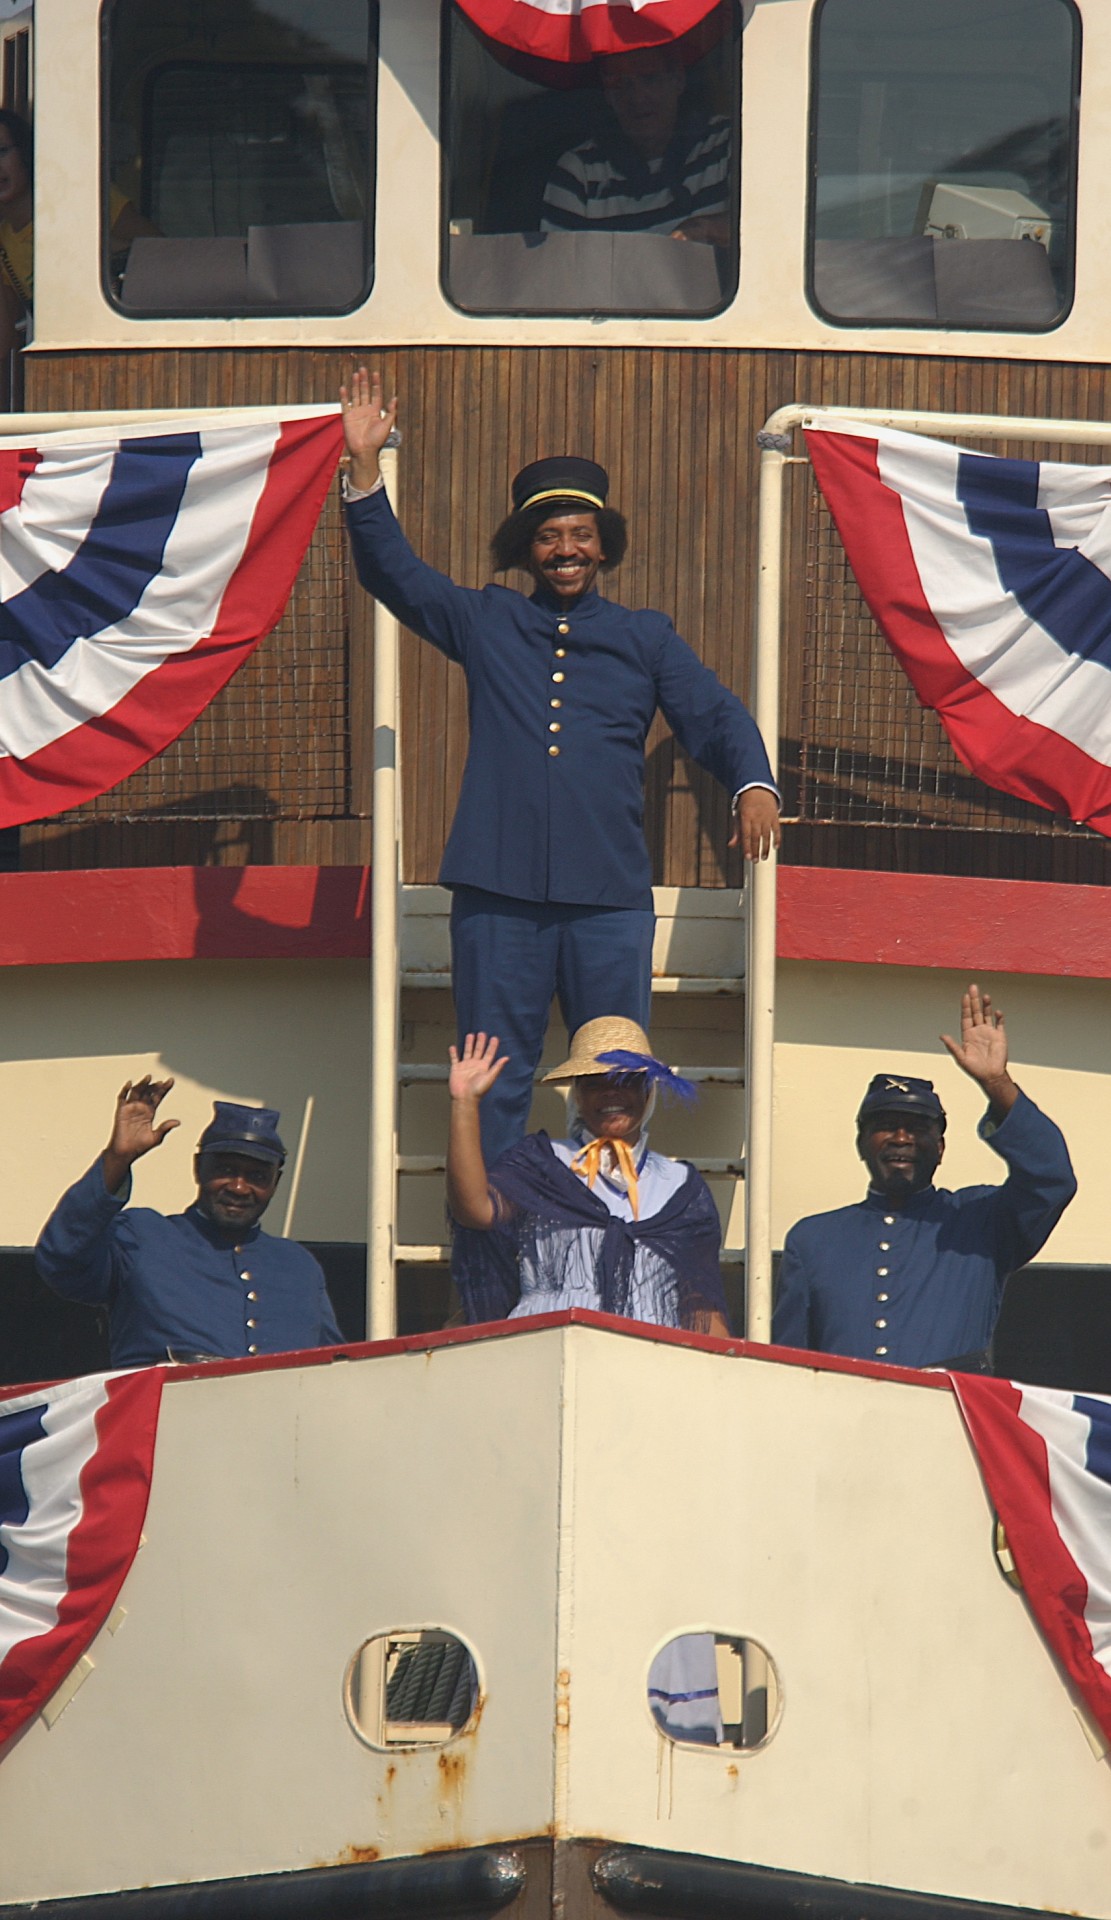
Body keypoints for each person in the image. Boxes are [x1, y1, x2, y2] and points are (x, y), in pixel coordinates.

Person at [341, 367, 780, 1165]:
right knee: (495, 1081)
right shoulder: (488, 619)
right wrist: (365, 469)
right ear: (526, 549)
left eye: (580, 534)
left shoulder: (645, 636)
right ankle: (499, 1245)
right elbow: (394, 576)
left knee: (614, 1081)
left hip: (606, 902)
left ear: (604, 545)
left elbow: (711, 714)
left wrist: (752, 780)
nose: (565, 550)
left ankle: (607, 1227)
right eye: (548, 537)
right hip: (496, 893)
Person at [448, 1014, 730, 1743]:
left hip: (654, 1395)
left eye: (627, 1082)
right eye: (598, 1082)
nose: (614, 1096)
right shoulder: (535, 1167)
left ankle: (665, 1724)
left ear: (646, 1091)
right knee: (544, 1547)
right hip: (552, 1384)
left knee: (655, 1552)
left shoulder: (682, 1187)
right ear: (573, 1092)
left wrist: (729, 1402)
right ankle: (525, 1724)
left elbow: (702, 1305)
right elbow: (473, 1209)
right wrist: (463, 1105)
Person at [773, 984, 1077, 1371]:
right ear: (862, 1142)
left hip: (949, 1421)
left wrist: (997, 1084)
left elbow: (1052, 1178)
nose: (902, 1138)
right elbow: (789, 1367)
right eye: (886, 1126)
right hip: (846, 1425)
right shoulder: (812, 1239)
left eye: (917, 1128)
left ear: (941, 1147)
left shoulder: (980, 1221)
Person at [35, 1076, 344, 1368]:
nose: (239, 1187)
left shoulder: (298, 1265)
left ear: (275, 1183)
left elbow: (333, 1368)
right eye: (226, 1170)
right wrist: (117, 1159)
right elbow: (62, 1260)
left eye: (257, 1176)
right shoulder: (141, 1236)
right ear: (199, 1169)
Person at [0, 109, 154, 394]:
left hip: (131, 348)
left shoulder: (85, 197)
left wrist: (82, 241)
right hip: (68, 374)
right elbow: (4, 338)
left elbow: (158, 252)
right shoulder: (4, 242)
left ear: (24, 153)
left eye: (1, 152)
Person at [540, 45, 732, 248]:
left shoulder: (728, 141)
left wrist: (707, 230)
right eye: (620, 84)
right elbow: (558, 269)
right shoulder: (578, 173)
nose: (637, 97)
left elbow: (764, 226)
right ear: (607, 94)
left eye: (649, 78)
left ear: (678, 79)